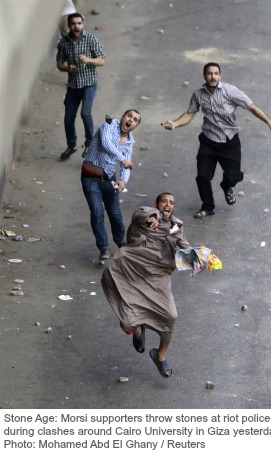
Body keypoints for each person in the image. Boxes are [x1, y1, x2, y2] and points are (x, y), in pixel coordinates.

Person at [161, 62, 271, 218]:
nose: (213, 77)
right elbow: (190, 113)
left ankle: (226, 186)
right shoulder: (198, 94)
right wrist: (175, 123)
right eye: (210, 74)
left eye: (216, 73)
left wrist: (269, 122)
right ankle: (208, 206)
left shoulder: (229, 91)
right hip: (208, 141)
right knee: (202, 176)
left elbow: (251, 107)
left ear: (220, 75)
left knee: (234, 176)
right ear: (204, 76)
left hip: (229, 141)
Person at [101, 192, 192, 378]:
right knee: (128, 321)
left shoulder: (176, 226)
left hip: (159, 276)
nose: (168, 205)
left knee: (171, 316)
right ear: (156, 203)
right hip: (133, 271)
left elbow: (184, 249)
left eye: (171, 203)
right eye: (164, 201)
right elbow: (142, 215)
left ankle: (160, 355)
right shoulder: (146, 214)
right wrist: (152, 218)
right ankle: (137, 329)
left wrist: (200, 256)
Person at [81, 109, 141, 261]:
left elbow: (126, 166)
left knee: (115, 214)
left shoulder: (129, 142)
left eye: (134, 120)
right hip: (90, 178)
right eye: (129, 116)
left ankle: (121, 243)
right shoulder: (108, 125)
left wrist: (123, 180)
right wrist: (122, 159)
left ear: (135, 125)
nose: (130, 120)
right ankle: (103, 248)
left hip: (109, 179)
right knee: (97, 212)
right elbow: (107, 144)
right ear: (122, 117)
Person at [56, 12, 105, 161]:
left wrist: (87, 60)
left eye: (79, 23)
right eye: (73, 24)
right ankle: (72, 146)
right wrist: (67, 68)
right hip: (73, 85)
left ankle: (90, 144)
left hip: (89, 84)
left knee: (86, 114)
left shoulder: (90, 39)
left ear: (83, 24)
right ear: (69, 26)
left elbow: (102, 60)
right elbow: (59, 63)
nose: (76, 26)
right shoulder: (64, 42)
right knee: (68, 119)